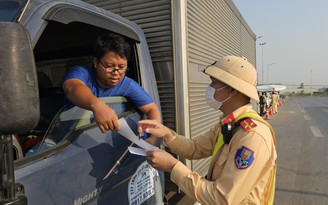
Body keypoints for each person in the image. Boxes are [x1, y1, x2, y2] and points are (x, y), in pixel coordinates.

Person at [138, 56, 277, 204]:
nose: (209, 87)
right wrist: (167, 134)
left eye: (214, 82)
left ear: (231, 90)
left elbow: (222, 199)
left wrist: (173, 167)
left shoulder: (251, 136)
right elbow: (195, 148)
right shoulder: (229, 124)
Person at [62, 33, 161, 143]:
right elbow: (72, 87)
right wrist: (97, 105)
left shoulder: (126, 84)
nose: (116, 73)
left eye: (122, 67)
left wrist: (153, 138)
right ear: (95, 62)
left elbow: (152, 109)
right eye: (109, 66)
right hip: (71, 140)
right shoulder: (82, 73)